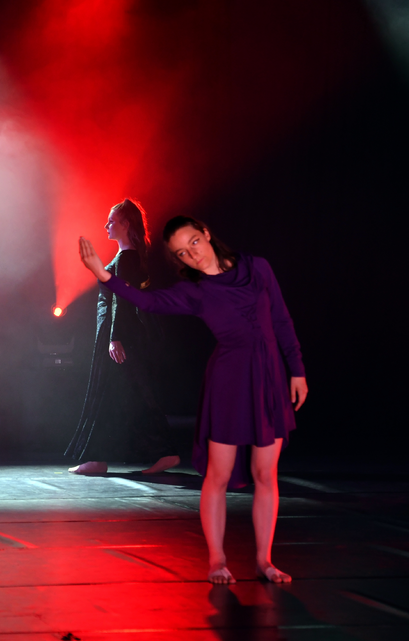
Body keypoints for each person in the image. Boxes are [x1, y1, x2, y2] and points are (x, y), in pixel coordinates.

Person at [78, 216, 308, 584]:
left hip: (268, 377)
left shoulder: (258, 268)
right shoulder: (196, 291)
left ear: (206, 234)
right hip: (229, 382)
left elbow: (281, 319)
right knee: (217, 475)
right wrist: (104, 275)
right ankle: (217, 561)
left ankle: (265, 561)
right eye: (182, 253)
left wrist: (296, 370)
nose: (192, 255)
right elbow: (148, 301)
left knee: (266, 474)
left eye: (194, 243)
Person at [64, 199, 179, 475]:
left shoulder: (127, 258)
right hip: (117, 333)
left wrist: (115, 338)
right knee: (126, 394)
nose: (106, 225)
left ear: (126, 224)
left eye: (112, 221)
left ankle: (109, 457)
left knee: (125, 392)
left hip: (120, 335)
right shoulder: (127, 256)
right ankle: (108, 457)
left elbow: (122, 299)